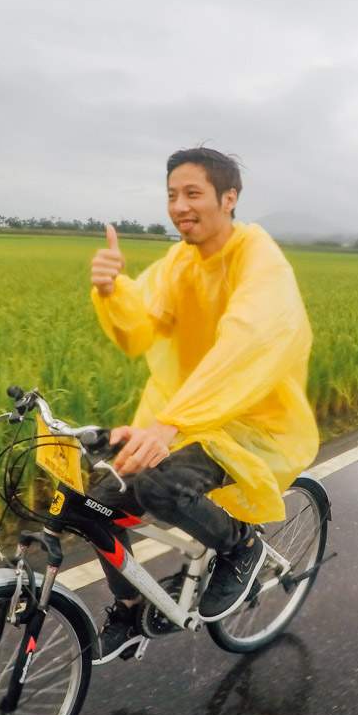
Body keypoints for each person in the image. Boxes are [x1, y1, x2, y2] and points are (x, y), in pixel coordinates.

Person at [86, 146, 319, 662]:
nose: (179, 206)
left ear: (228, 198)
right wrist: (111, 290)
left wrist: (170, 424)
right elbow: (142, 326)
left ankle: (242, 547)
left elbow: (246, 344)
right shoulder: (181, 263)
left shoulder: (259, 260)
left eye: (192, 193)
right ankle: (129, 612)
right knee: (99, 502)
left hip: (255, 422)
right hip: (190, 417)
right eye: (172, 195)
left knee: (161, 486)